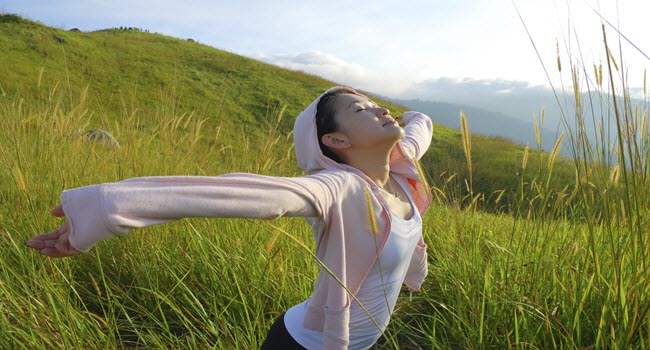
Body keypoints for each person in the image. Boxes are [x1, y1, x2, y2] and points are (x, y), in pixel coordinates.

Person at [25, 86, 433, 350]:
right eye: (360, 109)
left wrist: (416, 115)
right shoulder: (338, 189)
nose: (379, 108)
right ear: (336, 141)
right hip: (308, 343)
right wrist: (104, 207)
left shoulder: (400, 168)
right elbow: (242, 194)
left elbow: (420, 130)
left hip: (362, 341)